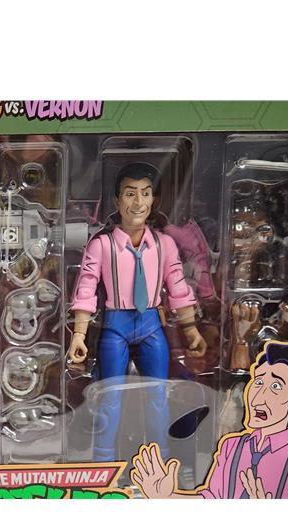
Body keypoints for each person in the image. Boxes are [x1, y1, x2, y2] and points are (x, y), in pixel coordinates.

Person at [68, 162, 206, 461]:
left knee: (158, 397)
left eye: (145, 193)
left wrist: (190, 329)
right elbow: (86, 287)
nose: (138, 202)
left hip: (151, 324)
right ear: (117, 201)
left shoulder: (164, 244)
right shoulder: (102, 245)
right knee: (110, 399)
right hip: (114, 327)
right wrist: (79, 333)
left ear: (153, 199)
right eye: (130, 194)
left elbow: (178, 286)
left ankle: (159, 462)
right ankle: (103, 464)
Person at [131, 341, 288, 499]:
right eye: (258, 382)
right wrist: (166, 497)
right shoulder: (231, 447)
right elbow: (211, 499)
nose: (259, 397)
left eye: (276, 386)